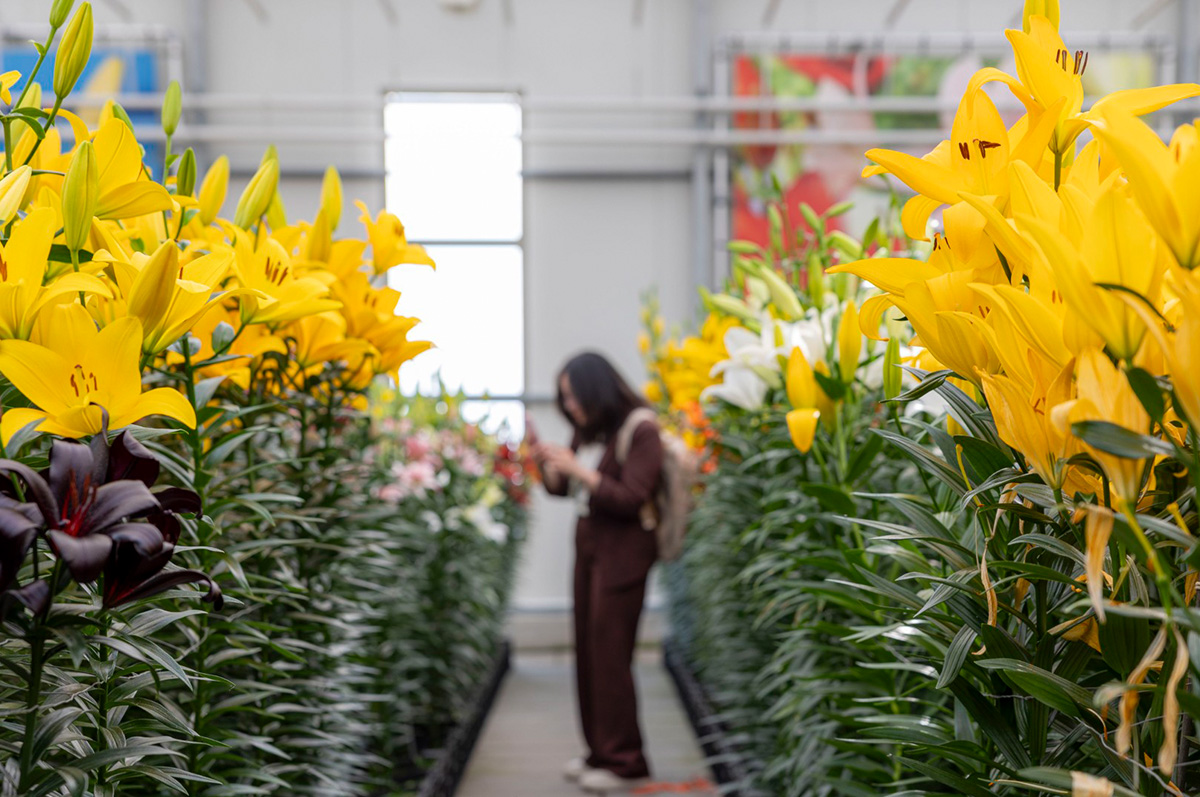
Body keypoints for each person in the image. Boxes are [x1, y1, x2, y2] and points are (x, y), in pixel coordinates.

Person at [529, 351, 662, 794]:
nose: (569, 406)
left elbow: (630, 497)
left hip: (623, 555)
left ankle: (627, 761)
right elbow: (562, 489)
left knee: (610, 656)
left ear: (595, 389)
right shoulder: (591, 432)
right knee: (587, 652)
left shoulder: (641, 428)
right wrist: (544, 462)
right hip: (591, 551)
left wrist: (578, 471)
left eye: (572, 396)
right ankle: (599, 751)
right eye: (564, 399)